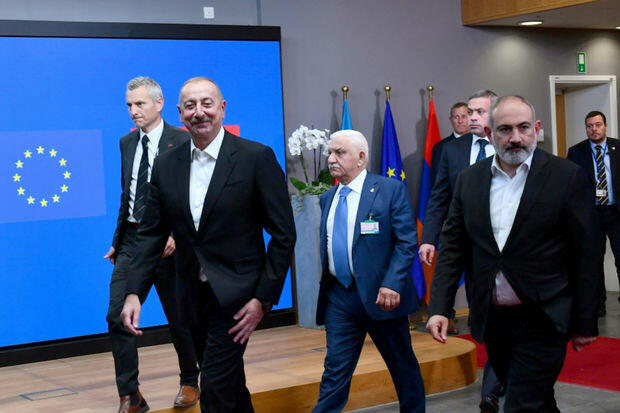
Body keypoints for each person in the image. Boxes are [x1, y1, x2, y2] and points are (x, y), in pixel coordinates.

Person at [120, 77, 296, 413]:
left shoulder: (255, 158)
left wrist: (263, 298)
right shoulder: (167, 164)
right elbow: (151, 234)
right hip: (191, 296)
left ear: (222, 108)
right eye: (190, 106)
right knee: (229, 384)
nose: (199, 112)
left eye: (207, 103)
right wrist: (133, 293)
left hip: (238, 297)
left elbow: (284, 234)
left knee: (214, 387)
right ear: (179, 113)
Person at [427, 95, 599, 413]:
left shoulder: (566, 176)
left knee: (522, 404)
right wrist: (440, 308)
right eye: (505, 129)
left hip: (544, 316)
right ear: (489, 134)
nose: (516, 137)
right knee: (536, 400)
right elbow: (452, 248)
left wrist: (585, 320)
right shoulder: (469, 180)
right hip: (493, 319)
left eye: (523, 128)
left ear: (536, 128)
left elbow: (585, 253)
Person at [104, 76, 199, 413]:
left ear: (159, 104)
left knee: (179, 316)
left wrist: (175, 234)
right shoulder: (126, 143)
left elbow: (192, 195)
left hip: (171, 242)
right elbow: (128, 195)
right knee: (117, 315)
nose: (133, 111)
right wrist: (118, 241)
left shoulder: (183, 140)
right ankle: (130, 395)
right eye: (129, 105)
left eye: (140, 104)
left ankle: (190, 380)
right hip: (133, 241)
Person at [313, 130, 425, 413]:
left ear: (361, 157)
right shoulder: (327, 198)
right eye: (330, 153)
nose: (331, 159)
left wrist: (392, 283)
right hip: (340, 297)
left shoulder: (389, 190)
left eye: (340, 152)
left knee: (403, 368)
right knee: (335, 371)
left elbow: (406, 241)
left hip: (382, 297)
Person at [419, 90, 503, 412]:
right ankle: (501, 367)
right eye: (470, 111)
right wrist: (429, 238)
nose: (472, 117)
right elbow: (439, 196)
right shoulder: (452, 150)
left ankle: (491, 389)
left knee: (500, 313)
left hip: (504, 247)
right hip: (467, 246)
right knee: (482, 313)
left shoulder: (508, 146)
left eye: (479, 111)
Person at [567, 111, 619, 315]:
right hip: (591, 216)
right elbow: (571, 185)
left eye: (598, 125)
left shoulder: (617, 147)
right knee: (593, 262)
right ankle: (599, 303)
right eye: (590, 126)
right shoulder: (576, 152)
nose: (594, 129)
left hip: (616, 213)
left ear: (605, 126)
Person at [430, 101, 469, 187]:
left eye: (464, 116)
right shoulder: (440, 147)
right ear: (451, 120)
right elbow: (437, 182)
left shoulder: (480, 143)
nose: (460, 121)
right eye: (456, 117)